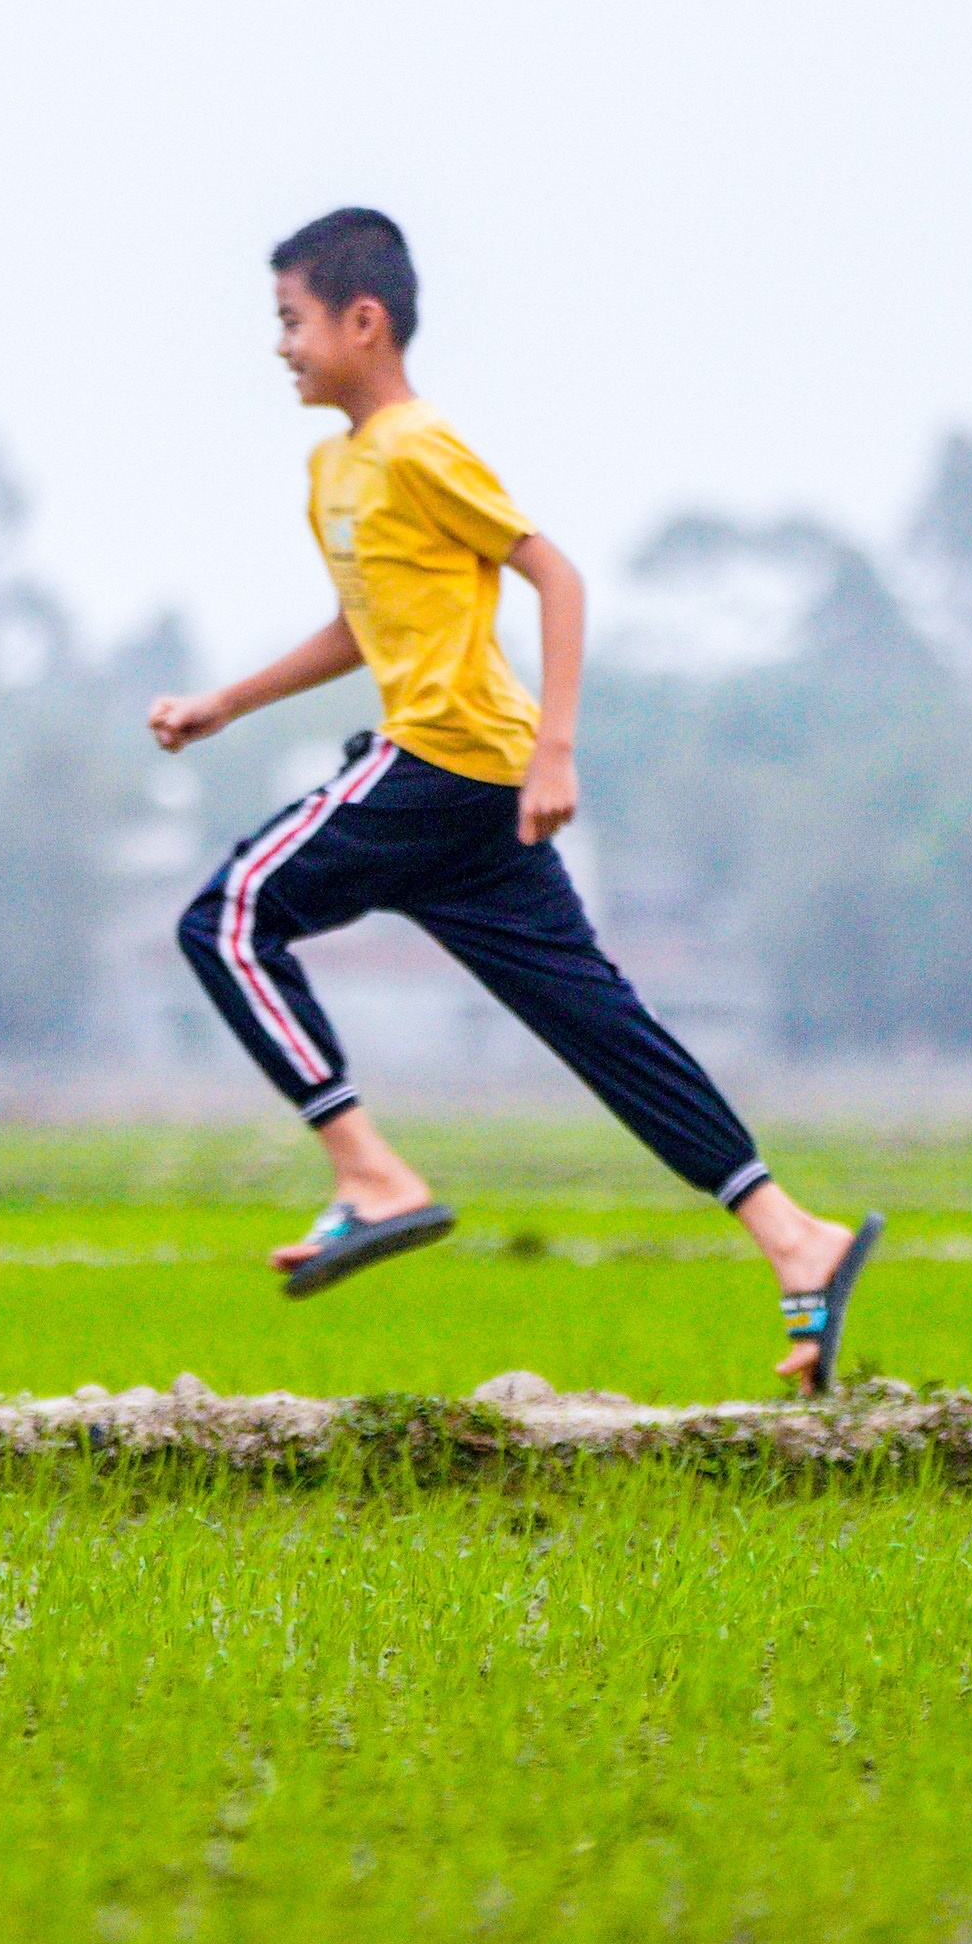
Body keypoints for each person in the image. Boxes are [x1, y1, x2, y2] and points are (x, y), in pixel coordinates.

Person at [150, 206, 885, 1391]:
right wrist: (227, 703)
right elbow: (365, 623)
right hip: (471, 805)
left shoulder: (419, 446)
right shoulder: (331, 470)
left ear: (363, 320)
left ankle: (371, 1172)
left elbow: (555, 573)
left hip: (448, 764)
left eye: (291, 321)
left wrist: (559, 749)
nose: (280, 346)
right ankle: (797, 1238)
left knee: (226, 920)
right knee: (600, 1024)